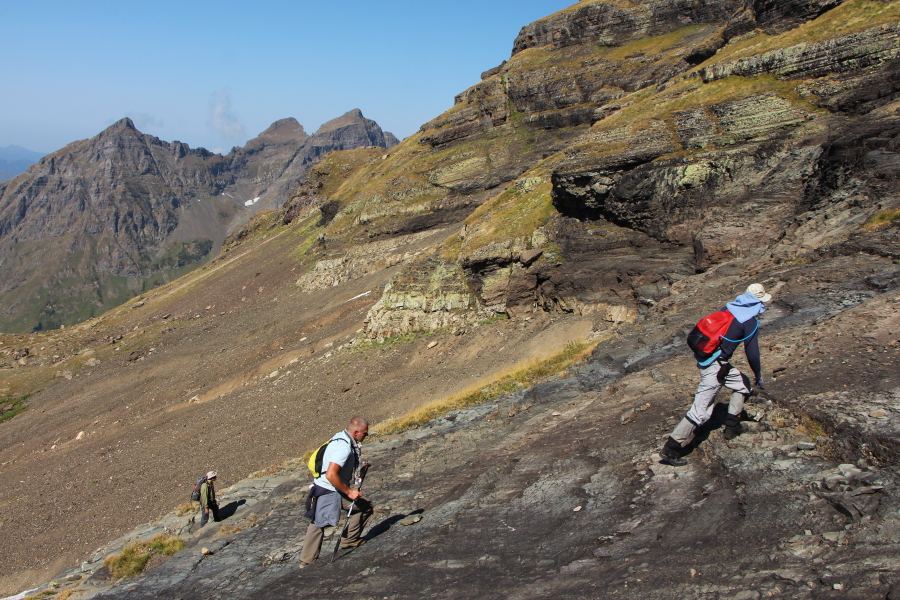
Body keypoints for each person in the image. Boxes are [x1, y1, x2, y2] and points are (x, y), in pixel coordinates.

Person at [660, 283, 772, 466]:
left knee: (743, 384)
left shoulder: (729, 309)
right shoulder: (750, 321)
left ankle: (732, 426)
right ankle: (671, 449)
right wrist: (758, 373)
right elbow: (752, 353)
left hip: (712, 361)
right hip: (715, 367)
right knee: (700, 411)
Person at [299, 416, 373, 568]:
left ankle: (349, 540)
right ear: (356, 431)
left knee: (363, 508)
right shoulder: (343, 448)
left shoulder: (340, 438)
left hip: (326, 487)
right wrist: (349, 492)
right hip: (330, 489)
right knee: (319, 522)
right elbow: (331, 474)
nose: (366, 435)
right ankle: (307, 561)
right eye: (365, 433)